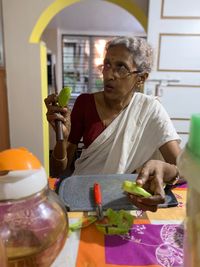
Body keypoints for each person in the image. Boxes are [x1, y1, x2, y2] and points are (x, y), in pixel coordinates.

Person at [45, 36, 182, 212]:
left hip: (122, 200)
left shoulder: (150, 110)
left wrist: (165, 169)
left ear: (141, 78)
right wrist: (60, 139)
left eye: (121, 67)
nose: (109, 75)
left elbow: (183, 168)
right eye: (107, 65)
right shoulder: (85, 103)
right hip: (81, 195)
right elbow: (58, 172)